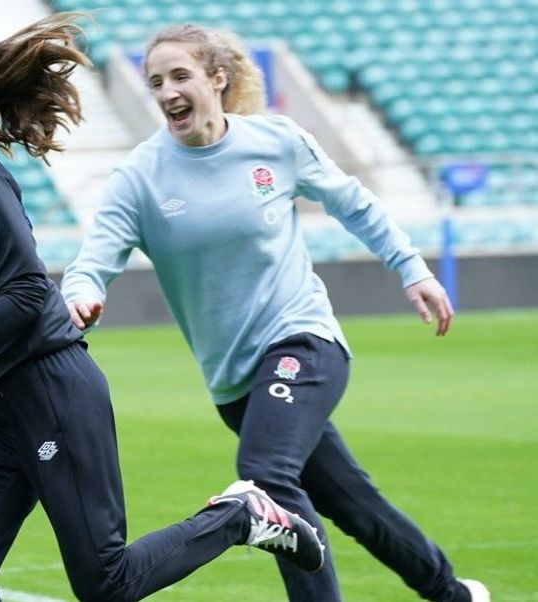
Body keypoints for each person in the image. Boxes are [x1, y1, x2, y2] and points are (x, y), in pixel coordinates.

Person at [0, 14, 324, 602]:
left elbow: (26, 291)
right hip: (0, 406)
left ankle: (239, 516)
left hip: (53, 391)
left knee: (105, 583)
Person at [60, 23, 489, 602]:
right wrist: (82, 293)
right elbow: (93, 261)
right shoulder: (139, 177)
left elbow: (354, 203)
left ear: (217, 79)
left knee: (266, 481)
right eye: (155, 81)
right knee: (353, 504)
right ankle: (453, 594)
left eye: (180, 76)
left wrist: (412, 268)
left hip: (303, 339)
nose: (166, 92)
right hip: (234, 383)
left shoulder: (277, 141)